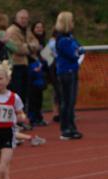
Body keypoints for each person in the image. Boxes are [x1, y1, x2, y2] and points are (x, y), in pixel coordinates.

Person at [55, 11, 83, 140]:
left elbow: (79, 47)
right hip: (66, 72)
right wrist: (77, 51)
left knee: (71, 101)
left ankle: (71, 126)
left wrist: (78, 50)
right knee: (67, 101)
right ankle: (66, 128)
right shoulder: (62, 39)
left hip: (72, 71)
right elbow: (74, 53)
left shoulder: (69, 37)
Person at [6, 10, 40, 111]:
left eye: (26, 18)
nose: (24, 20)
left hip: (26, 65)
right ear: (16, 18)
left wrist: (27, 46)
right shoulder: (12, 31)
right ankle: (16, 119)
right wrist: (29, 48)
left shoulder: (27, 30)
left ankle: (22, 118)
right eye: (22, 18)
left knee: (26, 94)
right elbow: (18, 48)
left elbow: (36, 43)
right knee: (18, 93)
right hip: (16, 65)